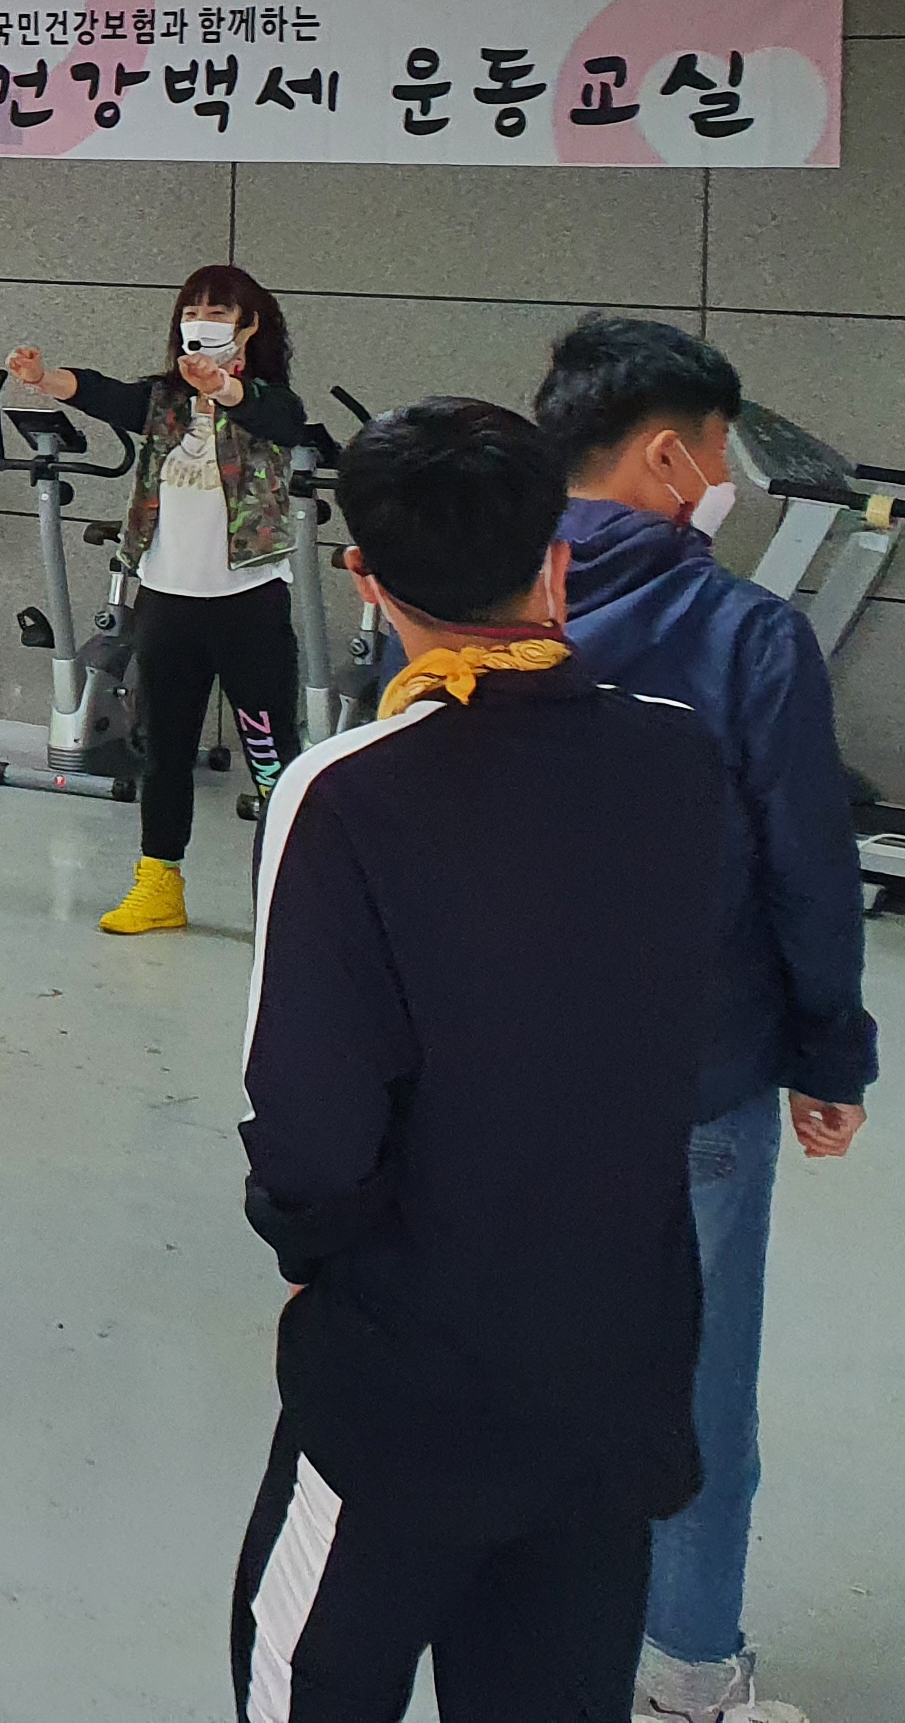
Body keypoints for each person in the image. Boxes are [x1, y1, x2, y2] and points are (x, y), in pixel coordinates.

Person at [233, 397, 725, 1723]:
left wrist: (308, 1258)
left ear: (366, 579)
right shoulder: (680, 757)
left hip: (410, 1388)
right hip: (615, 1369)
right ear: (555, 562)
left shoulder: (345, 792)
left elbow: (311, 1125)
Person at [534, 320, 873, 1723]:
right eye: (721, 453)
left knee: (528, 1362)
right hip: (695, 1078)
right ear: (671, 457)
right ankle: (685, 1672)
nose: (725, 480)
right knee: (695, 1386)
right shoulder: (749, 636)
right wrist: (829, 1050)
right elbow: (809, 869)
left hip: (509, 1081)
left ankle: (536, 1656)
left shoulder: (473, 605)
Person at [4, 262, 312, 935]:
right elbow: (104, 394)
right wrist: (44, 379)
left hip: (248, 603)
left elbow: (277, 419)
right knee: (165, 751)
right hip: (168, 603)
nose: (201, 322)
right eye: (192, 310)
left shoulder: (272, 403)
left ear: (251, 326)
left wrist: (223, 387)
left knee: (270, 754)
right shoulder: (164, 402)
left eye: (219, 312)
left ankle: (293, 896)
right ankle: (159, 881)